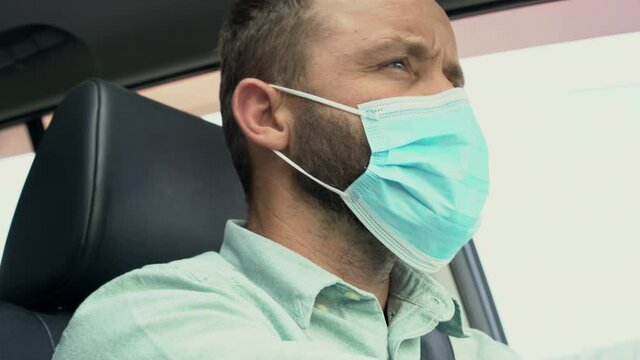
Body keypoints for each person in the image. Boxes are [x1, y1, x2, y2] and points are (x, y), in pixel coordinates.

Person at [54, 0, 520, 358]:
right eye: (397, 64)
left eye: (452, 80)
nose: (449, 100)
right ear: (267, 116)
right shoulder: (150, 320)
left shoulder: (461, 342)